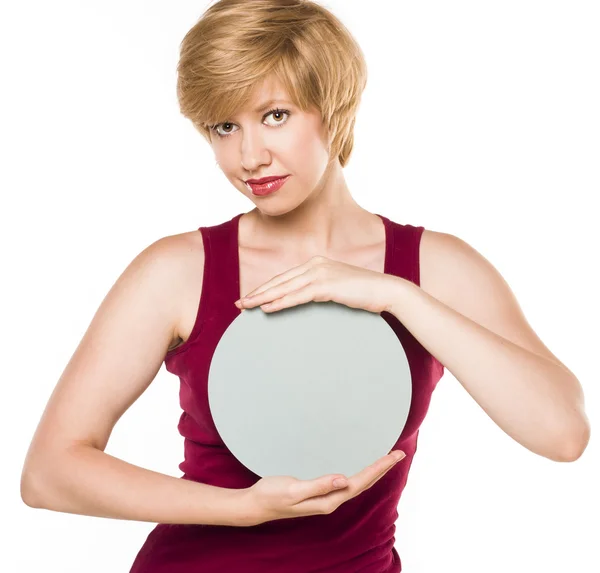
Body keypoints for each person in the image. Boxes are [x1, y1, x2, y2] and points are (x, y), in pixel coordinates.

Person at [20, 1, 590, 572]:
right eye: (225, 126)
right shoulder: (178, 270)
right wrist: (243, 508)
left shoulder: (432, 267)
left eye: (275, 115)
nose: (249, 156)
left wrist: (397, 296)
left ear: (333, 109)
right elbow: (50, 472)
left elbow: (562, 434)